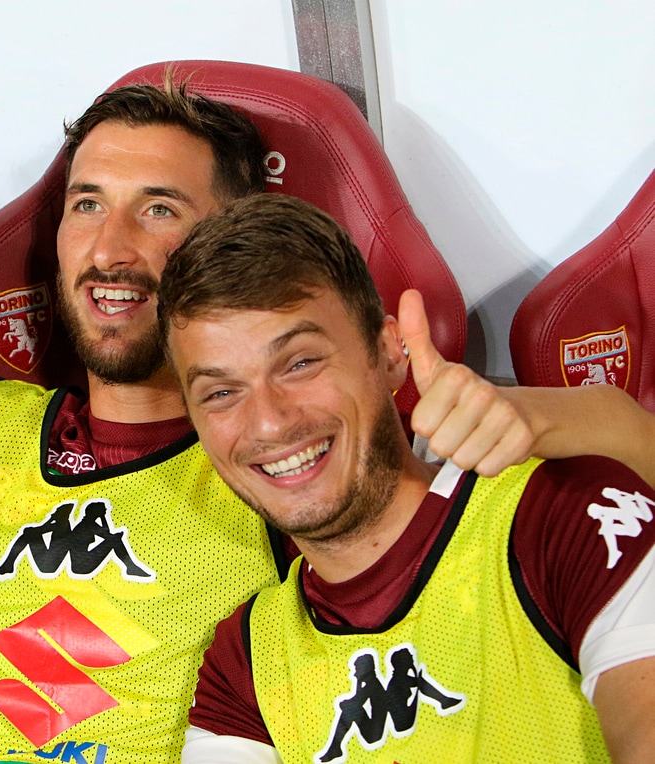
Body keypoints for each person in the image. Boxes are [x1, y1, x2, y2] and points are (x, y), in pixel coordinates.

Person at [0, 78, 655, 764]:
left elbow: (614, 458)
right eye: (87, 204)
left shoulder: (285, 442)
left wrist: (515, 411)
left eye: (161, 210)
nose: (111, 246)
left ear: (235, 244)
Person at [158, 192, 655, 763]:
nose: (269, 422)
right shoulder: (243, 660)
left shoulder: (564, 519)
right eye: (221, 393)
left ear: (390, 354)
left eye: (300, 363)